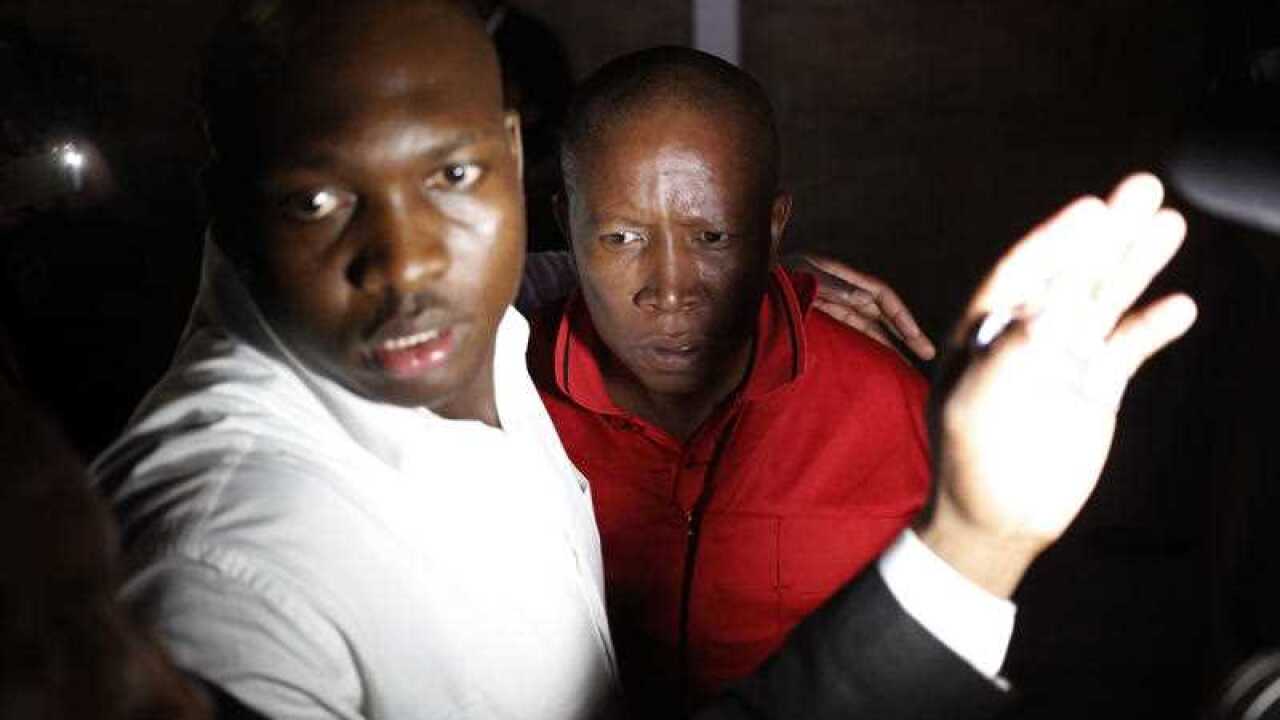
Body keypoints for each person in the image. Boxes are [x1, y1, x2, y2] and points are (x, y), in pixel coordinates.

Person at [90, 0, 1195, 717]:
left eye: (451, 178)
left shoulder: (483, 333)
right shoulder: (219, 549)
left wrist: (772, 278)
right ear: (231, 212)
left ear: (512, 170)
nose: (410, 263)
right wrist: (972, 544)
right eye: (315, 201)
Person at [526, 46, 930, 714]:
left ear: (771, 228)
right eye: (622, 239)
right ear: (564, 226)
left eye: (712, 237)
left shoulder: (894, 411)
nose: (671, 290)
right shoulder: (498, 406)